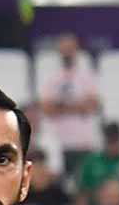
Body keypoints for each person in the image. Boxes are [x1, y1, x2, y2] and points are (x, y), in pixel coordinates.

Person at [40, 34, 101, 176]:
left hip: (83, 142)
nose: (67, 52)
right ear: (59, 50)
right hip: (59, 142)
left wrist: (61, 106)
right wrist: (76, 106)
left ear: (76, 50)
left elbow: (91, 106)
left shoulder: (87, 75)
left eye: (70, 48)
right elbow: (47, 109)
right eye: (64, 48)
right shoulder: (51, 77)